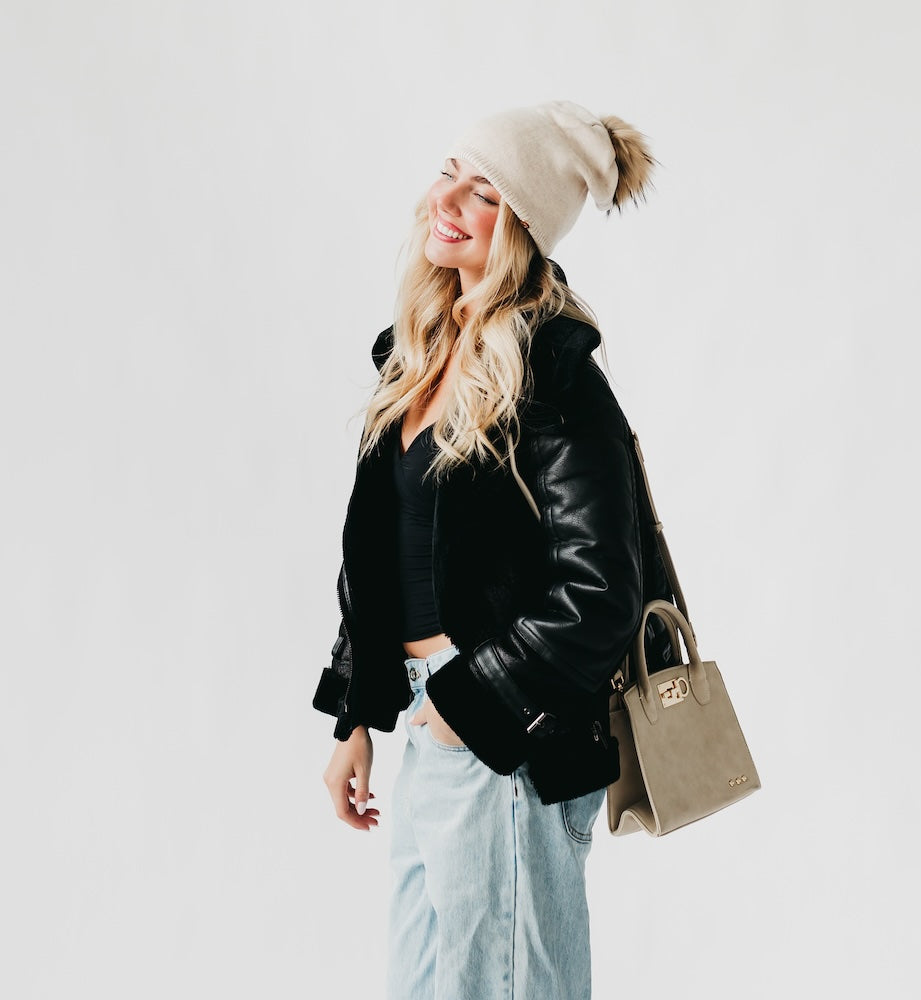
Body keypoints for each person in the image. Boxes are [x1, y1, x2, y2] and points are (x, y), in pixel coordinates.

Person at [314, 100, 656, 1000]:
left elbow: (599, 590)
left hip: (506, 737)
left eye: (487, 194)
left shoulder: (553, 371)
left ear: (525, 227)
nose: (451, 201)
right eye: (450, 174)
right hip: (436, 724)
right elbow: (381, 553)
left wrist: (466, 702)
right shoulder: (416, 356)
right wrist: (359, 715)